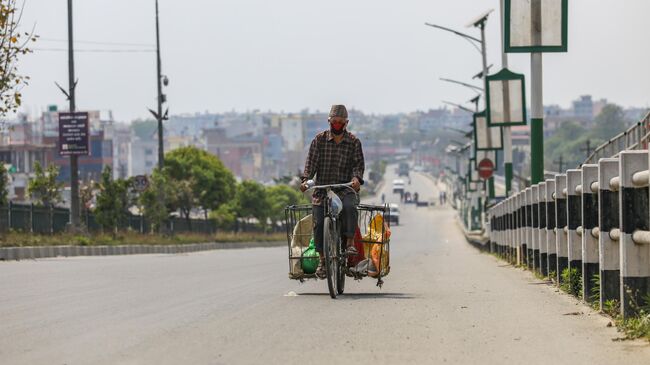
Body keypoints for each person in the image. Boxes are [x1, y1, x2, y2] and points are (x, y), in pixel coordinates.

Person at [300, 104, 365, 279]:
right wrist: (306, 180)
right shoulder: (319, 140)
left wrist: (356, 179)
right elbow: (310, 164)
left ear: (346, 123)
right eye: (334, 122)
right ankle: (322, 260)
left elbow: (358, 166)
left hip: (344, 189)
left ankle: (350, 243)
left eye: (340, 122)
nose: (337, 125)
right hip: (322, 190)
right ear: (329, 121)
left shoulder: (353, 142)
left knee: (350, 207)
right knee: (319, 223)